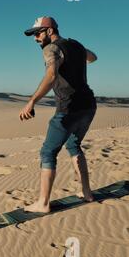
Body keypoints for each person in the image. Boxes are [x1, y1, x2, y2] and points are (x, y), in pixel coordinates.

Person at [20, 16, 98, 213]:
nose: (35, 38)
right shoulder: (76, 45)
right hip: (88, 105)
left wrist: (32, 101)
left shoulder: (51, 49)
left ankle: (43, 203)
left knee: (48, 152)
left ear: (49, 30)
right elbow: (93, 57)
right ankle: (87, 193)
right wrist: (76, 56)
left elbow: (51, 75)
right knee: (73, 145)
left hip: (68, 108)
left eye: (37, 33)